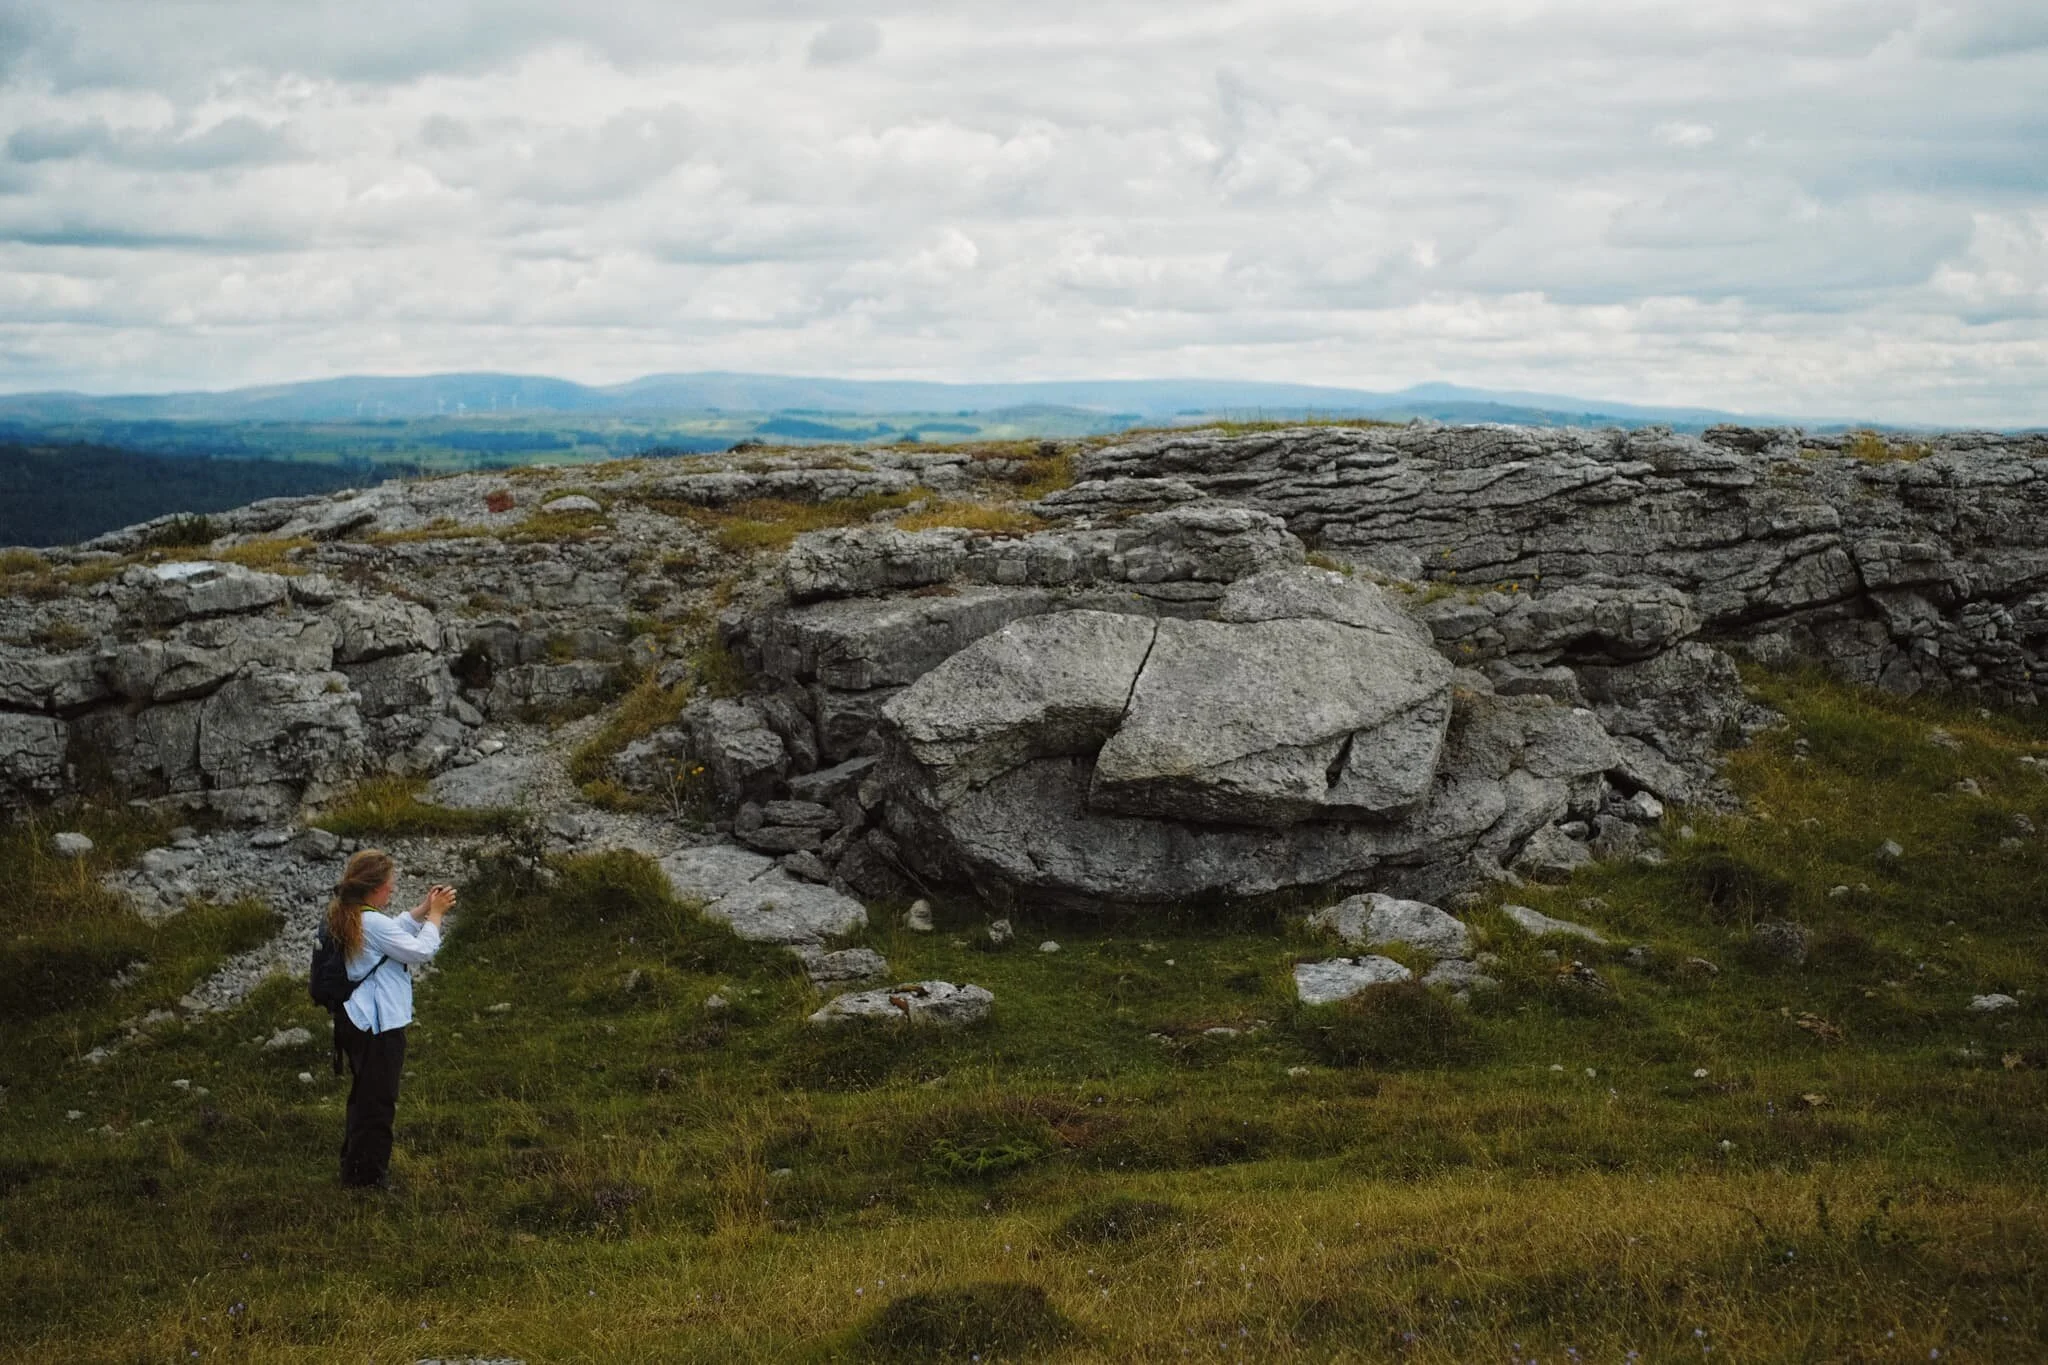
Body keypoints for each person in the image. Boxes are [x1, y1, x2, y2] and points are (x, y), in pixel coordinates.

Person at [324, 849, 457, 1189]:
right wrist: (437, 916)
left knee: (363, 1098)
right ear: (374, 888)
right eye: (389, 884)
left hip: (357, 1021)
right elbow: (421, 951)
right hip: (379, 1027)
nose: (392, 889)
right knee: (379, 1103)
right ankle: (370, 1180)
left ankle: (353, 1170)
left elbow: (393, 931)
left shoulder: (353, 913)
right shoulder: (371, 921)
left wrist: (424, 910)